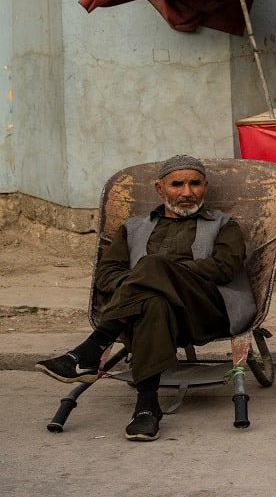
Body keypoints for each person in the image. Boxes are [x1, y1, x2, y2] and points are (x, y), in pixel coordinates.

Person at [36, 155, 254, 442]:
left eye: (195, 184)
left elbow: (224, 267)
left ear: (205, 186)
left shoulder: (224, 225)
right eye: (177, 184)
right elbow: (106, 275)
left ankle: (92, 347)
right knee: (153, 301)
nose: (187, 193)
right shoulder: (133, 227)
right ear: (160, 188)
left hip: (205, 312)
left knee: (153, 265)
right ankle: (146, 408)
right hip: (151, 313)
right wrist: (145, 284)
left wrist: (162, 271)